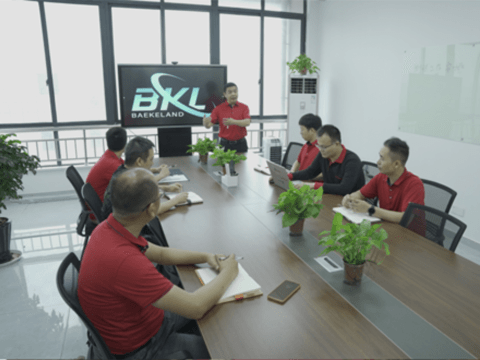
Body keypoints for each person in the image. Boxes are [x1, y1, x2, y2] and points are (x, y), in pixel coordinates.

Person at [78, 168, 239, 359]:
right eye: (159, 196)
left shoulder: (109, 227)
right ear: (152, 209)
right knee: (222, 348)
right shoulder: (125, 261)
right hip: (142, 347)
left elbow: (161, 253)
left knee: (215, 313)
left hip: (143, 319)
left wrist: (205, 257)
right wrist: (229, 272)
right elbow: (195, 307)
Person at [102, 136, 188, 220]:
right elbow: (152, 211)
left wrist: (166, 188)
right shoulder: (131, 182)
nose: (152, 163)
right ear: (139, 161)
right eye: (151, 159)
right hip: (122, 230)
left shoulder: (122, 171)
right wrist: (176, 200)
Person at [342, 137, 424, 223]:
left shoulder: (415, 184)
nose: (378, 162)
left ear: (396, 164)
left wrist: (370, 209)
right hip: (387, 226)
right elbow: (360, 194)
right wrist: (350, 199)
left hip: (408, 234)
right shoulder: (381, 177)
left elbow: (406, 218)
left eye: (382, 158)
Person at [288, 125, 365, 195]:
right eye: (319, 146)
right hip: (331, 197)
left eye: (324, 147)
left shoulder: (352, 161)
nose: (321, 150)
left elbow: (344, 188)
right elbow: (310, 172)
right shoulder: (324, 155)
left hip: (350, 204)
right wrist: (290, 176)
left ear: (337, 144)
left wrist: (314, 185)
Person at [203, 82, 250, 173]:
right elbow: (209, 126)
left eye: (235, 91)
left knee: (242, 172)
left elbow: (247, 122)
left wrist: (233, 122)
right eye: (230, 92)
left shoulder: (244, 107)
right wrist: (205, 123)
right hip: (225, 145)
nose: (233, 94)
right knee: (225, 171)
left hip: (241, 145)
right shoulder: (218, 109)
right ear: (224, 94)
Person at [85, 127, 127, 222]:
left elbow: (129, 168)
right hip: (102, 214)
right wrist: (160, 177)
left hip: (100, 207)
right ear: (125, 144)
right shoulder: (112, 164)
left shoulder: (109, 156)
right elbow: (133, 183)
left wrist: (154, 170)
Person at [269, 113, 322, 184]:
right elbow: (297, 162)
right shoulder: (305, 146)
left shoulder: (322, 149)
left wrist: (306, 177)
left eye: (302, 130)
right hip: (300, 181)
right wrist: (291, 174)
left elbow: (324, 174)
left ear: (312, 130)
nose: (300, 132)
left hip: (311, 185)